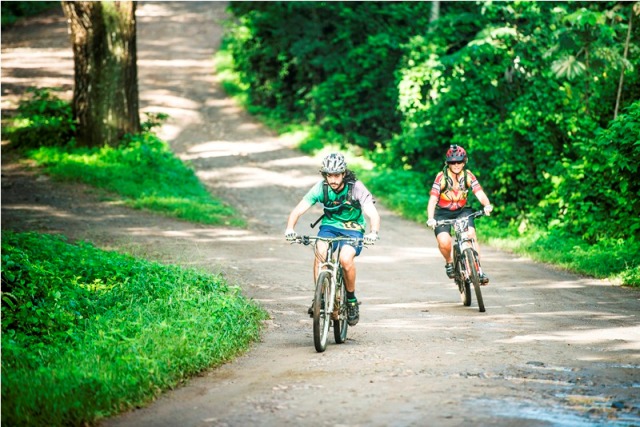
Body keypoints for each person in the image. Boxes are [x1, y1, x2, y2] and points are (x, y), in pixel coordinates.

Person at [285, 153, 381, 326]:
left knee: (345, 259)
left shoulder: (356, 187)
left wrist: (373, 232)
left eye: (337, 175)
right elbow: (299, 209)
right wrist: (290, 228)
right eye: (329, 175)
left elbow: (372, 212)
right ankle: (320, 297)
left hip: (353, 230)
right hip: (329, 228)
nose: (333, 179)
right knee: (319, 253)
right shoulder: (321, 188)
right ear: (325, 175)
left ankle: (351, 301)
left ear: (344, 174)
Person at [426, 144, 493, 284]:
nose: (456, 164)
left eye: (459, 161)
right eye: (452, 162)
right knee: (444, 242)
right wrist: (431, 218)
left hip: (462, 211)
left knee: (471, 235)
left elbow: (479, 193)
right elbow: (433, 199)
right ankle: (449, 262)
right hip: (442, 213)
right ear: (447, 163)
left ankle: (478, 271)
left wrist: (486, 205)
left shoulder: (468, 176)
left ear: (465, 161)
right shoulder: (441, 177)